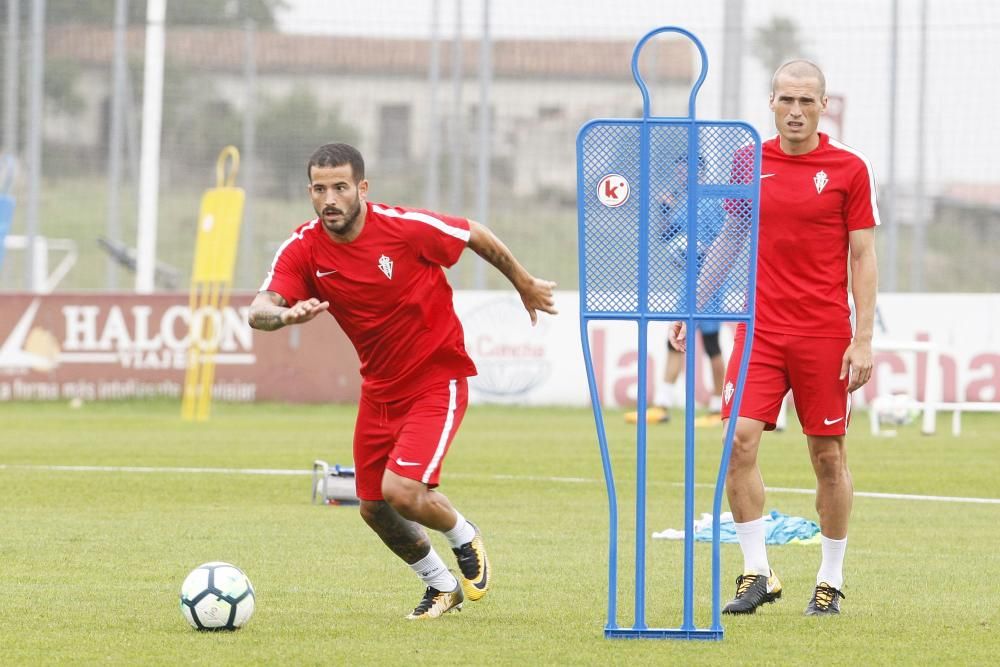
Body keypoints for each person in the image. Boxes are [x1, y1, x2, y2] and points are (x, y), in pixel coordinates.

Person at [248, 142, 557, 620]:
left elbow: (474, 234)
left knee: (403, 492)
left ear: (362, 188)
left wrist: (523, 282)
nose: (329, 199)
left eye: (340, 188)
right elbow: (258, 310)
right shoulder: (304, 247)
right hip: (379, 391)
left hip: (438, 377)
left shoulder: (404, 228)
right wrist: (285, 316)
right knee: (373, 507)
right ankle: (440, 587)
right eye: (319, 189)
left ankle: (462, 534)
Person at [670, 60, 878, 616]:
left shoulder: (849, 169)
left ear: (823, 106)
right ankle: (757, 572)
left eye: (807, 101)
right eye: (787, 100)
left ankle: (830, 580)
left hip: (824, 334)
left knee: (828, 457)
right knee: (737, 442)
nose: (796, 111)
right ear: (771, 103)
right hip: (758, 330)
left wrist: (863, 338)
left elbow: (863, 255)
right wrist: (694, 306)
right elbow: (730, 236)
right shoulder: (748, 160)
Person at [626, 155, 728, 425]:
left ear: (701, 173)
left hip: (711, 281)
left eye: (688, 171)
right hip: (688, 280)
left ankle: (719, 407)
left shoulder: (711, 201)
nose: (683, 176)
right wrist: (663, 210)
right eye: (680, 171)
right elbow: (667, 235)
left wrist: (702, 251)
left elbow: (727, 238)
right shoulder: (680, 201)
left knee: (711, 343)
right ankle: (662, 405)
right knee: (674, 338)